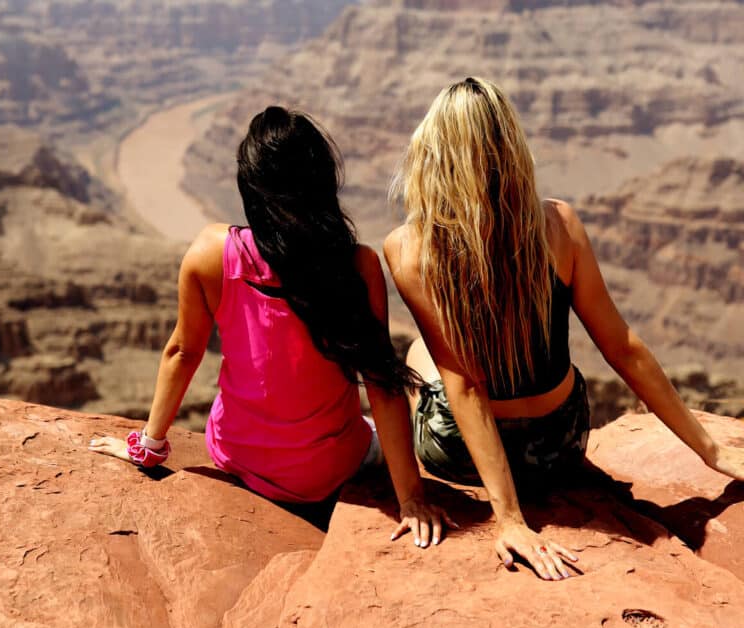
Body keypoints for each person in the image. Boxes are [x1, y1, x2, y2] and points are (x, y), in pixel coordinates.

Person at [384, 77, 744, 580]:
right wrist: (710, 450)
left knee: (420, 351)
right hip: (562, 444)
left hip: (462, 459)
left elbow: (465, 386)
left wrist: (508, 518)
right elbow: (622, 347)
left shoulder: (407, 249)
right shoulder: (559, 224)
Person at [90, 106, 453, 539]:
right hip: (328, 471)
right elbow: (381, 386)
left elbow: (182, 352)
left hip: (238, 457)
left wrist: (148, 448)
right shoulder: (356, 266)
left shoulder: (211, 253)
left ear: (250, 188)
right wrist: (410, 497)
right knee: (401, 406)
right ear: (323, 184)